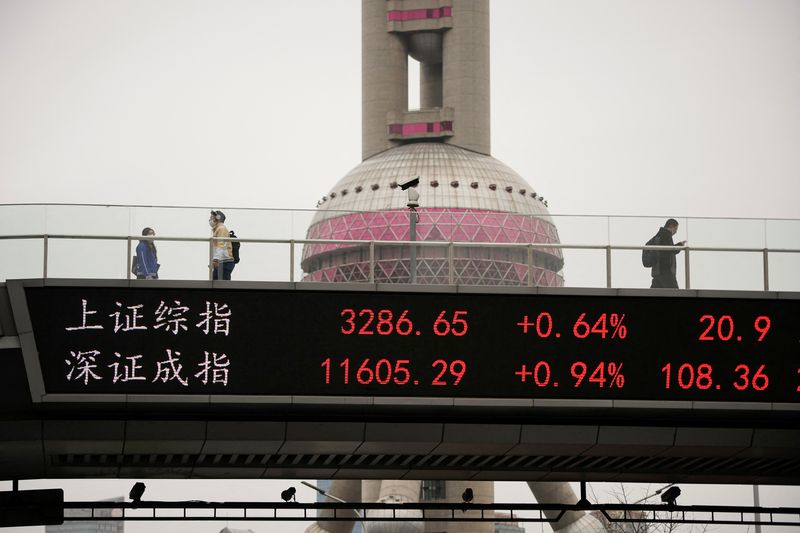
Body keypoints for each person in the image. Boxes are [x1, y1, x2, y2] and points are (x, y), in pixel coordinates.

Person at [650, 218, 686, 288]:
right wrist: (680, 245)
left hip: (657, 271)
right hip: (666, 272)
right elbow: (672, 250)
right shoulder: (666, 234)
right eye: (675, 229)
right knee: (675, 294)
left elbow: (667, 249)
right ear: (671, 226)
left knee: (653, 293)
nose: (675, 232)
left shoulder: (658, 235)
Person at [209, 210, 235, 280]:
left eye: (212, 217)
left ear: (217, 218)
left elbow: (221, 245)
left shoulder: (221, 229)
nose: (210, 219)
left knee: (220, 285)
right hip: (222, 261)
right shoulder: (217, 229)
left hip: (225, 262)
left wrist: (216, 260)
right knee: (216, 282)